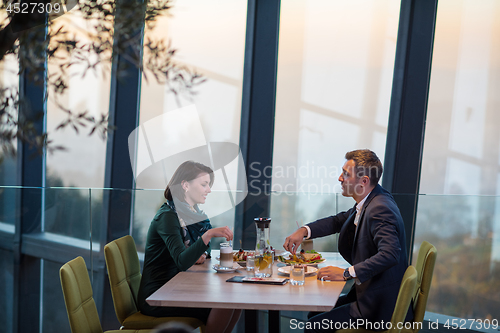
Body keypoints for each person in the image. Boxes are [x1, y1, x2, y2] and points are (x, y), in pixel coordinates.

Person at [283, 149, 413, 332]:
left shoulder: (379, 208)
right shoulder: (372, 199)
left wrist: (345, 273)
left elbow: (390, 254)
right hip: (372, 294)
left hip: (378, 307)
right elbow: (338, 221)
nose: (339, 178)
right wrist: (304, 231)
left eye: (346, 174)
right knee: (314, 314)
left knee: (314, 326)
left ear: (364, 181)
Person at [137, 161, 241, 333]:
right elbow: (182, 261)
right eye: (204, 184)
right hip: (159, 294)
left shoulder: (193, 214)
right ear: (185, 185)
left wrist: (200, 252)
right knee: (226, 302)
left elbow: (200, 251)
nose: (209, 190)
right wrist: (207, 236)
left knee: (234, 302)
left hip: (178, 286)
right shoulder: (168, 217)